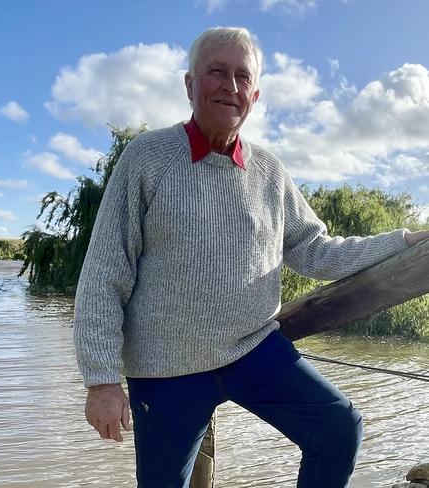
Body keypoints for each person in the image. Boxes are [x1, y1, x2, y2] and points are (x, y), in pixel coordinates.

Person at [73, 26, 429, 488]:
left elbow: (316, 251)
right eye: (216, 72)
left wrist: (403, 241)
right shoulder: (147, 158)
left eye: (243, 77)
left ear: (255, 95)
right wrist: (101, 379)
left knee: (338, 429)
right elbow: (105, 272)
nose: (230, 86)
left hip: (253, 351)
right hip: (166, 369)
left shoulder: (269, 170)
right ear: (189, 84)